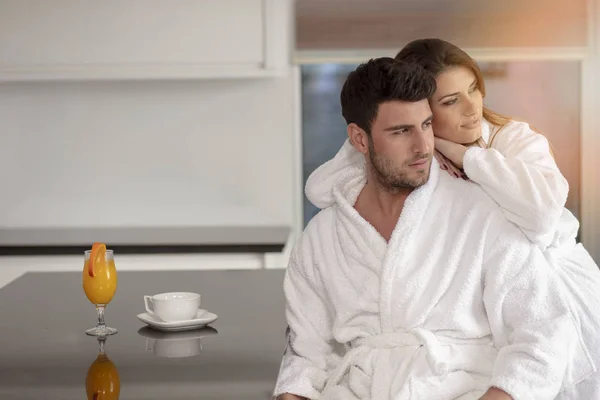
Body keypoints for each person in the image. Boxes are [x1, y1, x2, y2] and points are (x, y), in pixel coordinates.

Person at [305, 38, 600, 399]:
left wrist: (464, 155)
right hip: (488, 301)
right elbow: (323, 187)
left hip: (557, 290)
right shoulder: (415, 151)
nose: (472, 108)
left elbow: (541, 216)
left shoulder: (513, 140)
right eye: (450, 101)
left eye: (473, 88)